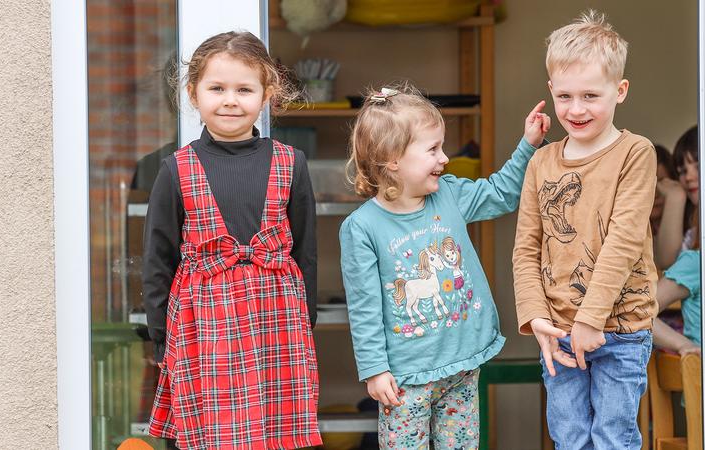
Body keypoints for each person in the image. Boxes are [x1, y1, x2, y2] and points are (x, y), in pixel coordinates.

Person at [339, 83, 550, 449]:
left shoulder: (449, 195)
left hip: (462, 366)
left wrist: (528, 145)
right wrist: (374, 369)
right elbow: (364, 307)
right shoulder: (361, 228)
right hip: (406, 377)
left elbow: (501, 193)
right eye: (433, 149)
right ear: (392, 159)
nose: (445, 158)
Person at [141, 31, 321, 450]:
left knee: (275, 434)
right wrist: (162, 336)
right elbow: (158, 259)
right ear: (193, 93)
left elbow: (305, 250)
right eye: (216, 88)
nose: (230, 100)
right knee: (211, 434)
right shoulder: (175, 170)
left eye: (244, 89)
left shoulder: (291, 163)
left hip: (277, 321)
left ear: (268, 94)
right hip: (202, 326)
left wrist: (304, 320)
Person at [512, 10, 658, 449]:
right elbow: (526, 248)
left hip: (620, 329)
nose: (576, 110)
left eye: (591, 95)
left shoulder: (635, 153)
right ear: (551, 92)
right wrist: (535, 317)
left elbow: (624, 242)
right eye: (566, 96)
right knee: (569, 437)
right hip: (557, 331)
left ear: (621, 90)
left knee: (613, 436)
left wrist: (591, 320)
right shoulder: (541, 163)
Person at [652, 126, 703, 356]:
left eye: (698, 166)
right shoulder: (693, 254)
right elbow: (669, 261)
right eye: (682, 170)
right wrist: (676, 196)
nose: (689, 176)